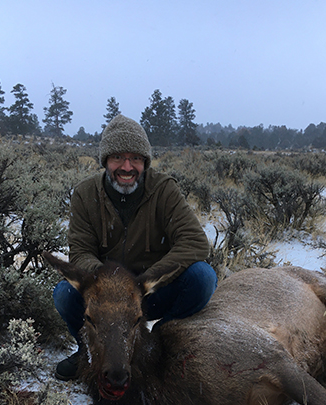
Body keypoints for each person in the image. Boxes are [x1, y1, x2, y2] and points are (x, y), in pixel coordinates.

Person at [53, 114, 217, 380]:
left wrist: (146, 281)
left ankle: (155, 345)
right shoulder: (85, 193)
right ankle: (89, 352)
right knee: (64, 294)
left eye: (136, 159)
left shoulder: (164, 190)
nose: (127, 167)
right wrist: (109, 284)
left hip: (151, 290)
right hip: (105, 297)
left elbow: (195, 242)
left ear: (145, 162)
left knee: (203, 278)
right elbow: (80, 252)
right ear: (105, 160)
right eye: (118, 157)